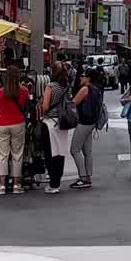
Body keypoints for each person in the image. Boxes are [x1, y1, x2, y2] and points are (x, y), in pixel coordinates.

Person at [0, 66, 30, 195]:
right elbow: (25, 107)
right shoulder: (24, 91)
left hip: (2, 124)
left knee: (2, 154)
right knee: (17, 154)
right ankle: (16, 184)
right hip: (18, 123)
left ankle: (2, 185)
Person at [39, 62, 74, 194]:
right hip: (62, 122)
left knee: (50, 153)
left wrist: (41, 104)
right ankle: (57, 182)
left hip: (50, 123)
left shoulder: (50, 86)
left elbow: (46, 106)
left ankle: (53, 184)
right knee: (60, 153)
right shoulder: (65, 86)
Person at [69, 68, 103, 189]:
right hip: (92, 123)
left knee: (74, 150)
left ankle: (82, 177)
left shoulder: (84, 89)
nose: (80, 78)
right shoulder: (96, 89)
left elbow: (73, 103)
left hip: (83, 122)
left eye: (83, 76)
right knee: (87, 151)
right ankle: (88, 177)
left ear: (88, 78)